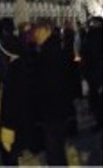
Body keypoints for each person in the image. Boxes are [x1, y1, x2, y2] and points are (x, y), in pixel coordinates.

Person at [33, 17, 73, 165]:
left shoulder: (49, 52)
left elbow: (50, 83)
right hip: (55, 108)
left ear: (47, 30)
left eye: (38, 30)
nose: (35, 34)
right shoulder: (51, 49)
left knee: (54, 149)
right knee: (56, 149)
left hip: (52, 109)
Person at [0, 35, 32, 165]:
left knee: (10, 157)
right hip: (19, 122)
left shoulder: (14, 72)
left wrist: (7, 125)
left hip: (11, 124)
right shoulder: (22, 67)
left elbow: (11, 101)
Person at [81, 16, 103, 132]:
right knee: (96, 100)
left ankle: (100, 121)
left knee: (97, 100)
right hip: (94, 73)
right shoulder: (92, 36)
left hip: (96, 74)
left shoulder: (95, 36)